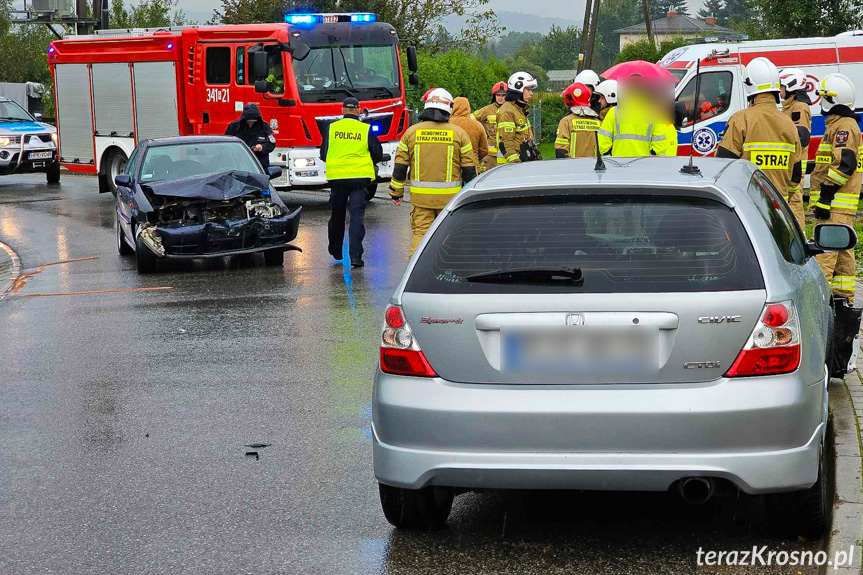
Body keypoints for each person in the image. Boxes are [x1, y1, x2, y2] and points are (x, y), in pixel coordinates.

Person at [389, 88, 477, 255]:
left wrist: (396, 192)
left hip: (421, 200)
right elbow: (469, 171)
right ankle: (448, 273)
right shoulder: (459, 134)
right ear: (449, 107)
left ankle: (416, 276)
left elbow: (400, 166)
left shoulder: (411, 132)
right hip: (450, 201)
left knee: (420, 236)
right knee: (449, 237)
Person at [716, 57, 804, 214]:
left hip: (748, 207)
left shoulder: (740, 119)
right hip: (779, 210)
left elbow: (723, 163)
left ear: (749, 86)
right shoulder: (789, 123)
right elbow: (796, 174)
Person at [811, 73, 861, 304]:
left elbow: (844, 164)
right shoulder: (843, 125)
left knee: (825, 256)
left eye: (823, 97)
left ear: (832, 100)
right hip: (840, 207)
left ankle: (816, 303)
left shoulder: (843, 127)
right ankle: (843, 302)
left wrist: (825, 197)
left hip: (834, 206)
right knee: (843, 257)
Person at [320, 97, 383, 267]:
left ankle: (336, 250)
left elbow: (324, 153)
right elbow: (377, 153)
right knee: (356, 217)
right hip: (359, 180)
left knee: (337, 215)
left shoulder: (331, 128)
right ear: (358, 110)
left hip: (337, 179)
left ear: (342, 110)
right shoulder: (365, 129)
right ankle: (356, 257)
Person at [597, 80, 676, 157]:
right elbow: (660, 148)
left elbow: (601, 146)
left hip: (618, 165)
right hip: (642, 166)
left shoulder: (614, 112)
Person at [780, 67, 813, 229]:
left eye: (782, 86)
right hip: (789, 165)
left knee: (794, 203)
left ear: (791, 85)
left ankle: (799, 236)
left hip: (795, 165)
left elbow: (801, 137)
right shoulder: (789, 106)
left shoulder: (799, 107)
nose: (780, 90)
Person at [496, 72, 541, 165]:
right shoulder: (507, 112)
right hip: (511, 166)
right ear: (519, 89)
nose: (531, 93)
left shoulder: (519, 109)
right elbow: (506, 142)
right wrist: (516, 163)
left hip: (523, 162)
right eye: (528, 90)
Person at [225, 104, 276, 170]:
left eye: (253, 121)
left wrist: (262, 147)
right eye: (249, 121)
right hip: (239, 164)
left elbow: (271, 144)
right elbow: (226, 145)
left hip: (259, 165)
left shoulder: (264, 127)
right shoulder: (234, 127)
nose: (251, 123)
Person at [555, 82, 600, 159]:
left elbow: (561, 151)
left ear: (568, 99)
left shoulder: (566, 122)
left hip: (573, 168)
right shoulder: (598, 122)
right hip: (595, 167)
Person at [472, 82, 507, 172]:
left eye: (503, 95)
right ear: (494, 96)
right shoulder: (487, 110)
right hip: (490, 156)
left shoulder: (511, 110)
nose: (500, 98)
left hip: (507, 154)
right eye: (498, 95)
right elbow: (470, 119)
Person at [450, 96, 489, 169]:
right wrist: (475, 156)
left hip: (452, 165)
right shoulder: (477, 125)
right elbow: (484, 150)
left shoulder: (448, 123)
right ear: (468, 108)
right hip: (472, 166)